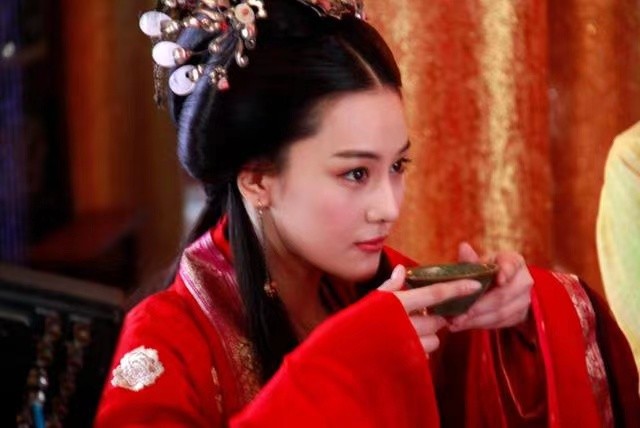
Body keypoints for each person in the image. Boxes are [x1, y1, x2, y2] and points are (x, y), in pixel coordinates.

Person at [97, 0, 640, 426]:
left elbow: (491, 391)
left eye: (397, 166)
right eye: (356, 173)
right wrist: (341, 370)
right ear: (257, 180)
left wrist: (517, 321)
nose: (389, 207)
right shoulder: (164, 341)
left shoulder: (384, 293)